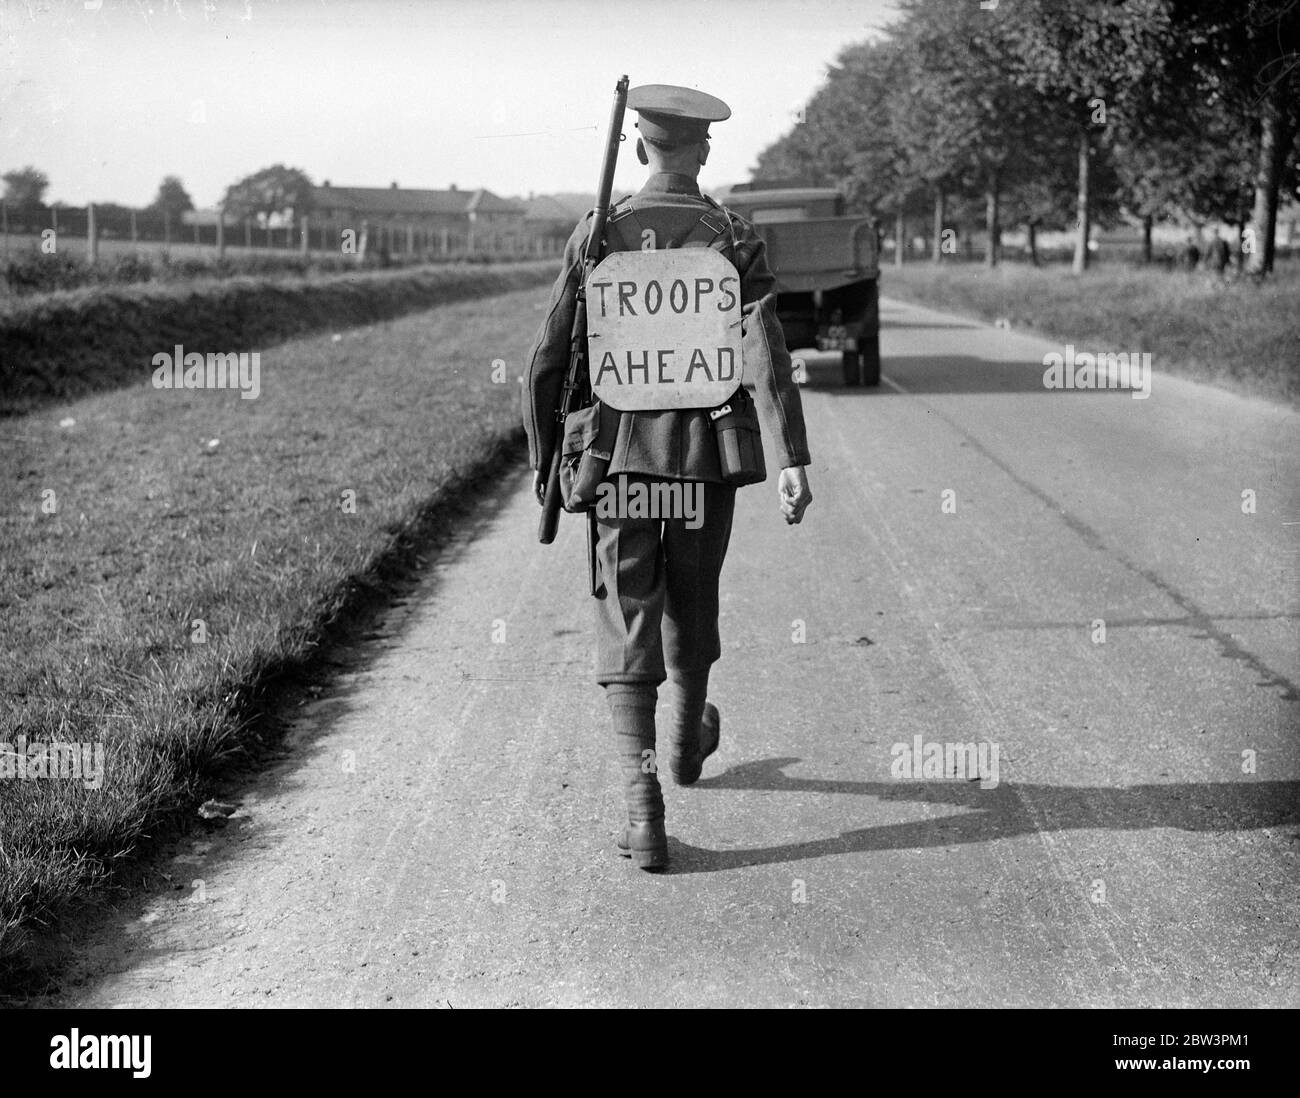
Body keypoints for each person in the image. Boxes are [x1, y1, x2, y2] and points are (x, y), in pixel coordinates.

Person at [521, 83, 813, 871]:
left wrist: (543, 458)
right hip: (705, 464)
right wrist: (792, 457)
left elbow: (548, 358)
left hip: (619, 465)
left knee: (628, 613)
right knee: (691, 597)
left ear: (641, 148)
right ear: (704, 150)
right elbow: (766, 353)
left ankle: (644, 809)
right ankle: (685, 751)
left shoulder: (600, 233)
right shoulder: (730, 234)